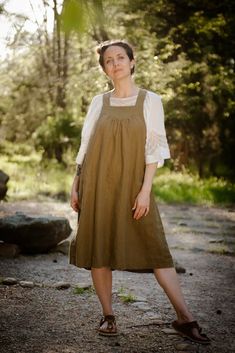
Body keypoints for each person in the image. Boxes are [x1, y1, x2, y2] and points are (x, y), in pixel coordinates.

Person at [69, 39, 210, 345]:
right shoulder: (98, 103)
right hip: (96, 182)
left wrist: (145, 190)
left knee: (155, 247)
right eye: (109, 60)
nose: (115, 63)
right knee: (99, 248)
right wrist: (76, 181)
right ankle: (108, 317)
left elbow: (155, 148)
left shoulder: (150, 100)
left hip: (134, 185)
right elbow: (85, 146)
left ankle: (185, 319)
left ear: (132, 62)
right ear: (105, 69)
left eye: (121, 57)